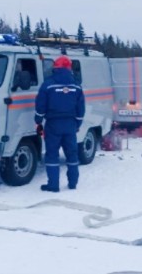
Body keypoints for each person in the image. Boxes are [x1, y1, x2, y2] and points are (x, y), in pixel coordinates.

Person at [35, 55, 86, 192]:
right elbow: (81, 108)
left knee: (52, 155)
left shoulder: (48, 84)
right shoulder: (76, 86)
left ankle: (53, 185)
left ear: (55, 68)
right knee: (72, 154)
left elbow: (40, 105)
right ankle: (73, 183)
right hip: (70, 124)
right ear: (69, 68)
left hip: (53, 124)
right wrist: (78, 124)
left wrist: (38, 121)